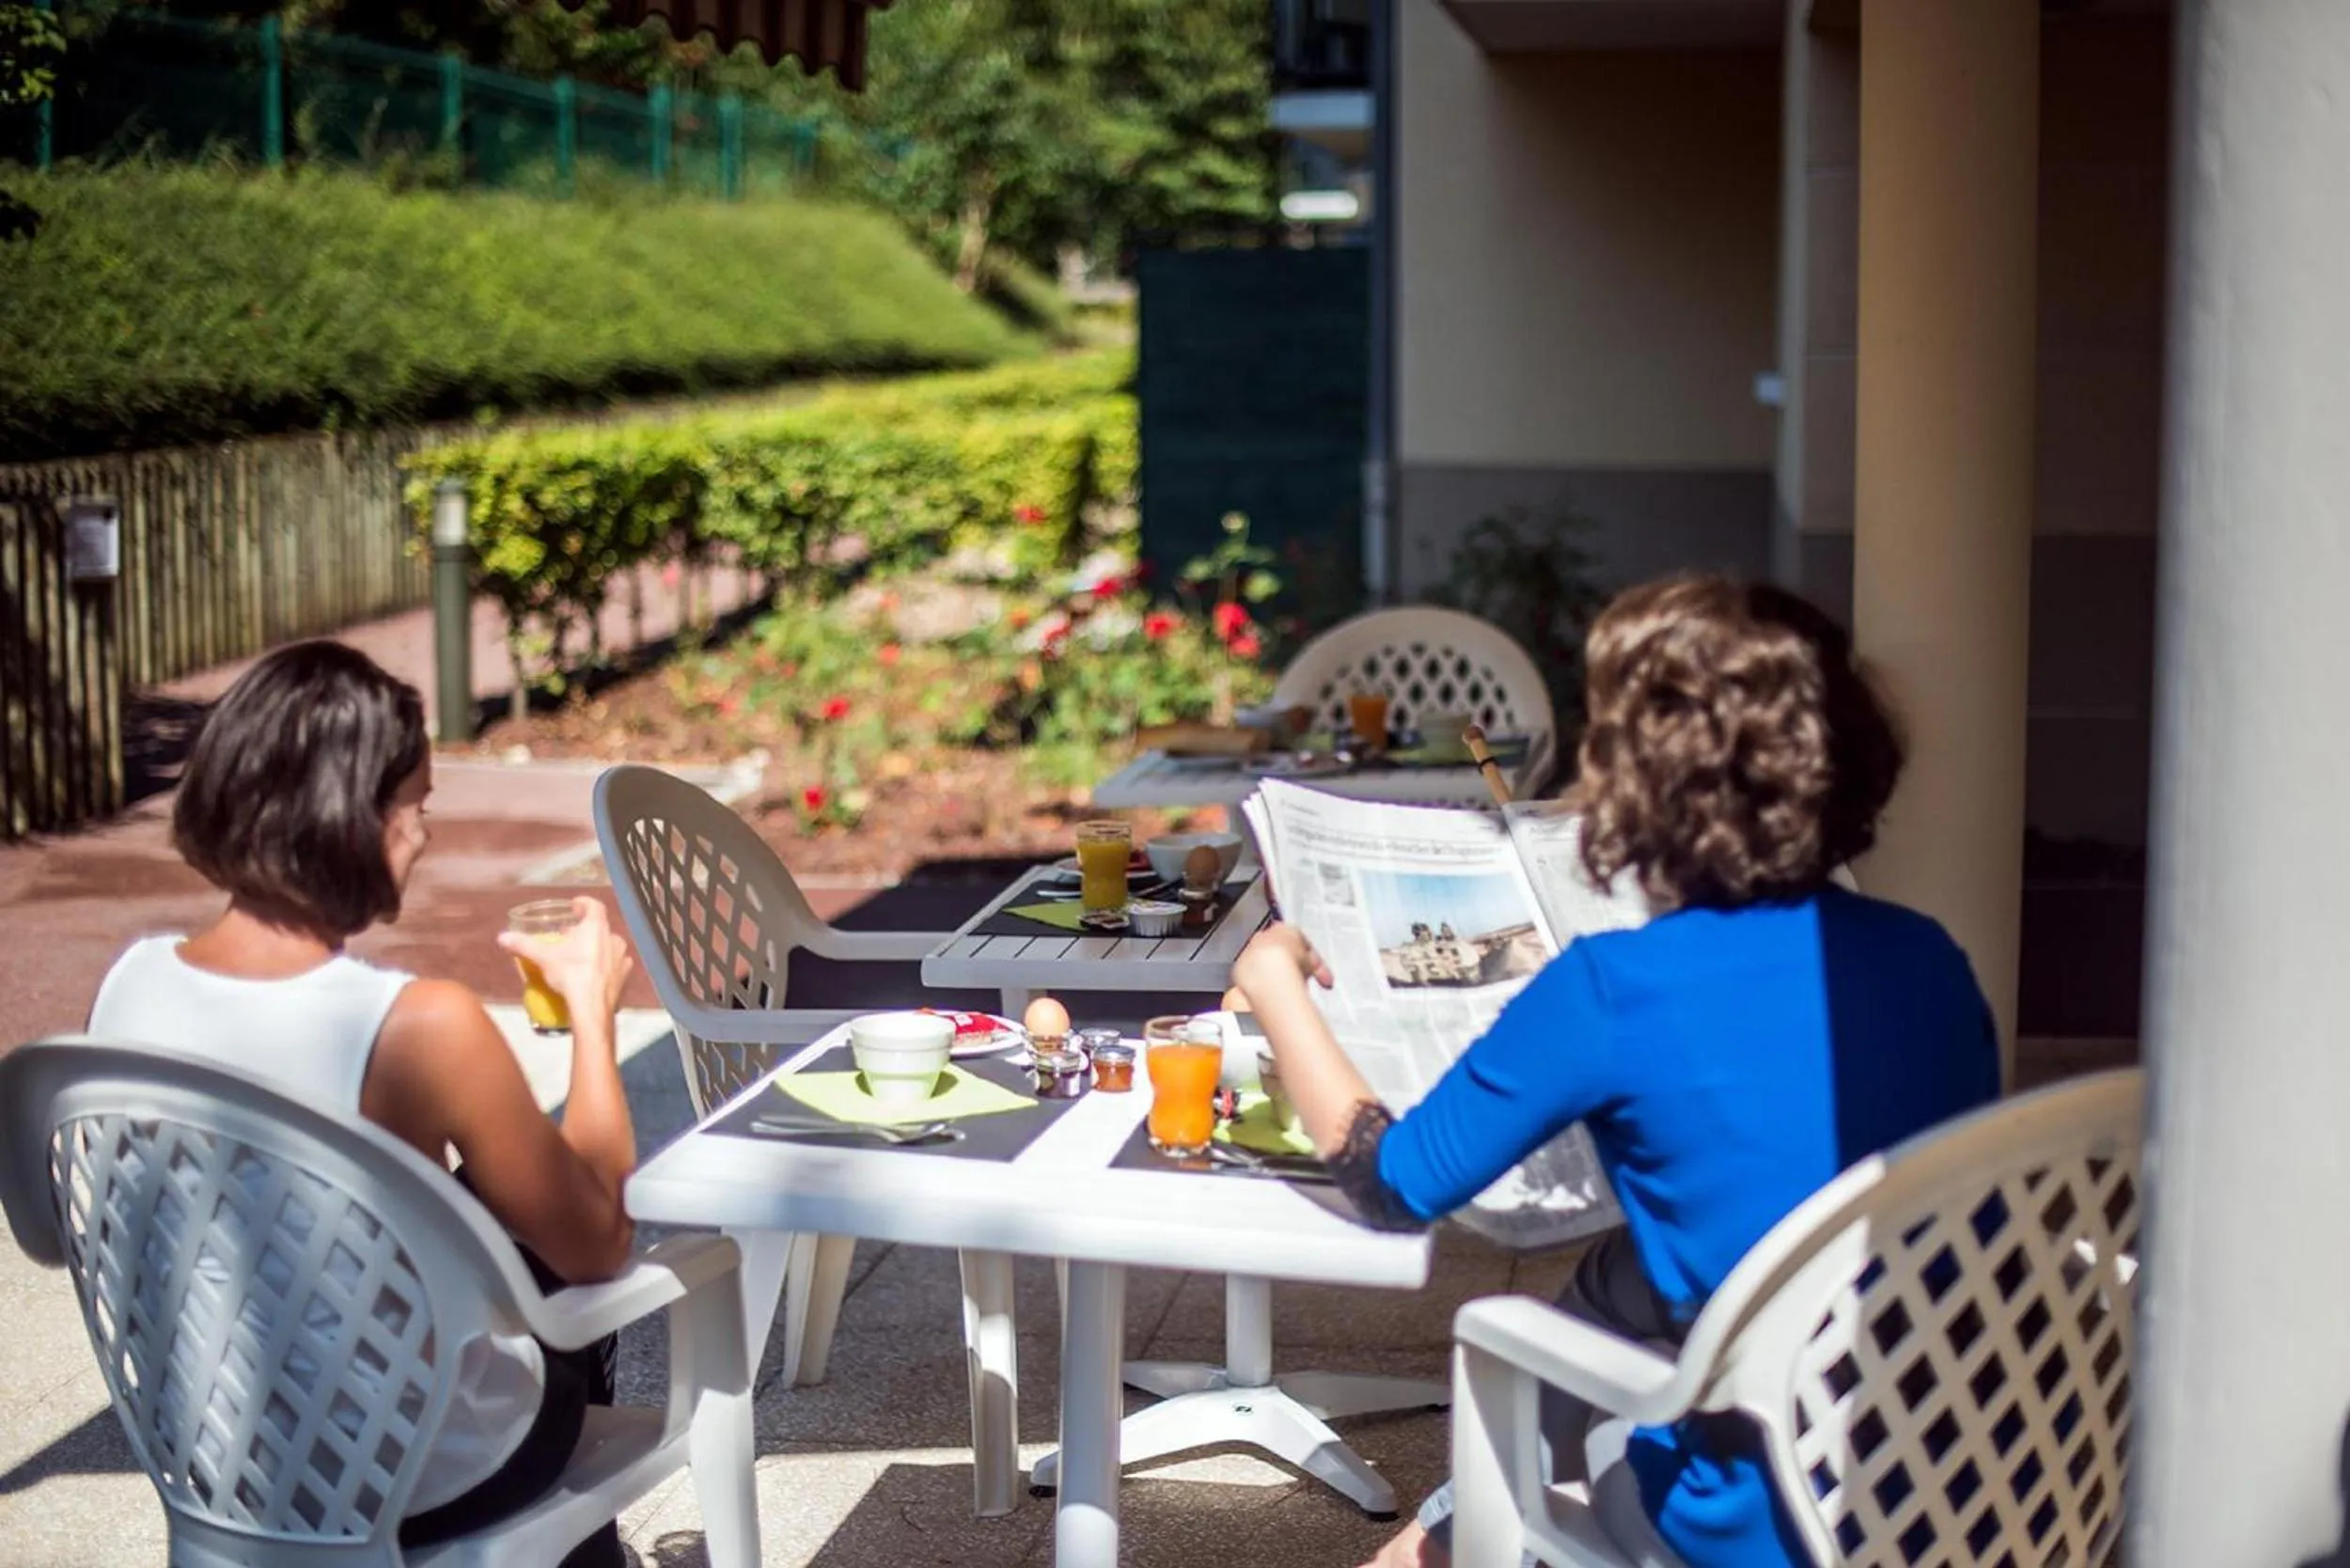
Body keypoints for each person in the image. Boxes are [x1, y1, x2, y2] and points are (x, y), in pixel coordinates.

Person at [1232, 577, 2001, 1568]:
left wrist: (1274, 981)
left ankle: (1440, 1537)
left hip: (1765, 1524)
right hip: (1976, 1474)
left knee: (1494, 1423)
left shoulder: (1615, 989)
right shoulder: (1928, 957)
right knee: (1622, 1274)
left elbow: (1391, 1182)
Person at [86, 641, 638, 1566]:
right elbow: (598, 1244)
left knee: (483, 1201)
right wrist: (590, 1014)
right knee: (563, 1265)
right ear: (356, 817)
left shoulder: (128, 988)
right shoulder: (421, 1027)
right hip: (418, 1475)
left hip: (221, 1461)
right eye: (414, 806)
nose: (422, 835)